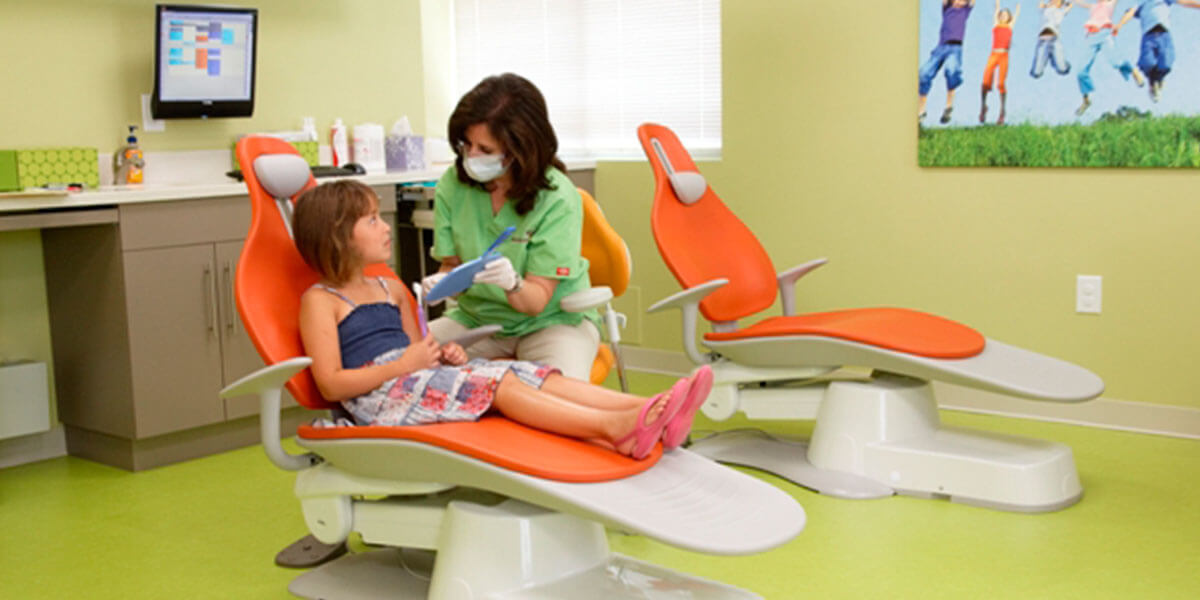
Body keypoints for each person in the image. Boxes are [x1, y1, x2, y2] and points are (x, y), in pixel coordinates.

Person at [293, 179, 712, 460]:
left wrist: (443, 356)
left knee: (530, 373)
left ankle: (650, 409)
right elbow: (331, 383)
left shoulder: (393, 289)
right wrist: (406, 364)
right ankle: (613, 427)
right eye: (372, 221)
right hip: (380, 402)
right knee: (500, 383)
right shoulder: (321, 301)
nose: (386, 228)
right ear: (338, 237)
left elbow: (415, 352)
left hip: (413, 384)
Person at [421, 73, 601, 382]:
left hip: (551, 321)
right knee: (400, 364)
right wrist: (441, 283)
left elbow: (537, 301)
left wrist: (512, 283)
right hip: (477, 320)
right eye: (467, 145)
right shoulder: (454, 184)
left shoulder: (557, 198)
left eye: (486, 150)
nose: (471, 157)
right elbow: (452, 264)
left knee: (559, 396)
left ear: (521, 149)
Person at [1114, 0, 1200, 102]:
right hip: (1148, 37)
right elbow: (1129, 13)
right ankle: (1152, 83)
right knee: (1147, 62)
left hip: (1164, 35)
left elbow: (1184, 2)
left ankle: (1159, 80)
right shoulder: (1141, 6)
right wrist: (1119, 25)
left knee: (1166, 63)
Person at [1075, 0, 1145, 115]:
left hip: (1104, 34)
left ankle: (1133, 71)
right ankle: (1086, 100)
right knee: (1080, 72)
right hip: (1090, 37)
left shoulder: (1110, 3)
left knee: (1115, 62)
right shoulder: (1093, 6)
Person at [919, 0, 977, 124]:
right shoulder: (947, 9)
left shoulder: (965, 10)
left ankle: (948, 106)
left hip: (955, 49)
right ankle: (921, 110)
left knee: (951, 71)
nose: (959, 2)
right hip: (940, 47)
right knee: (924, 73)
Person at [980, 1, 1021, 124]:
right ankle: (983, 107)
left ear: (1009, 17)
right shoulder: (996, 24)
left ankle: (1002, 111)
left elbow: (1017, 13)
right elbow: (996, 8)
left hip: (1004, 55)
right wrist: (997, 4)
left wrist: (1018, 6)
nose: (1003, 16)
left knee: (1001, 83)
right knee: (985, 81)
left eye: (1005, 15)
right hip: (994, 54)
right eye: (1001, 14)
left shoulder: (1010, 26)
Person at [1031, 1, 1074, 79]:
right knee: (1036, 72)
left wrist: (1063, 4)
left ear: (1060, 5)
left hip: (1054, 39)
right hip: (1043, 40)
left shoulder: (1061, 11)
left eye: (1056, 1)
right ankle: (1048, 57)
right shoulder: (1044, 10)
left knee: (1062, 68)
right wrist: (1046, 5)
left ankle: (1054, 60)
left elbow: (1070, 5)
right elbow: (1040, 4)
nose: (1053, 2)